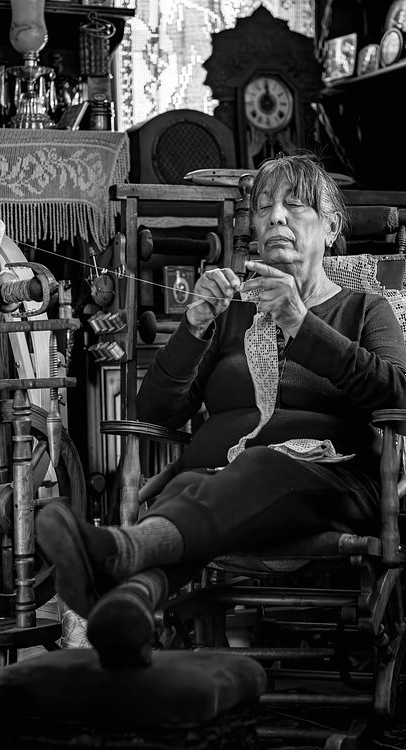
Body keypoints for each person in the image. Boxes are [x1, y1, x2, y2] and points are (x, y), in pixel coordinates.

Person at [37, 152, 406, 668]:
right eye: (264, 207)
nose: (275, 217)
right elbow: (156, 412)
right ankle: (129, 604)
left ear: (331, 227)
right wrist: (193, 327)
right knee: (191, 483)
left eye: (295, 205)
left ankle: (120, 551)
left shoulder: (364, 309)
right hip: (223, 483)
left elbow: (397, 393)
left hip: (333, 485)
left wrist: (301, 323)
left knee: (250, 467)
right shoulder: (233, 315)